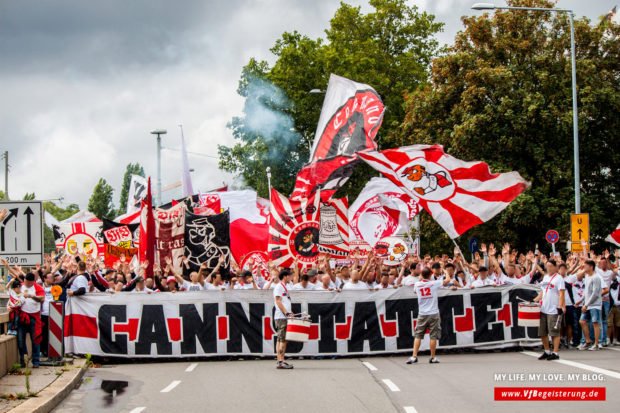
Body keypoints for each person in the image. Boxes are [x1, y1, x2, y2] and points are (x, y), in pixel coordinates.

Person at [407, 267, 453, 364]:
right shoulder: (434, 283)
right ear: (430, 275)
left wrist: (421, 277)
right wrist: (445, 272)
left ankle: (414, 356)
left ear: (421, 275)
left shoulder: (417, 284)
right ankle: (432, 357)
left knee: (418, 335)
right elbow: (448, 280)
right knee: (433, 336)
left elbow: (416, 290)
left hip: (422, 313)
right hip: (433, 313)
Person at [533, 260, 565, 360]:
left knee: (554, 332)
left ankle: (555, 352)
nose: (549, 268)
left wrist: (560, 307)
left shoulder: (559, 279)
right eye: (547, 266)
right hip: (544, 308)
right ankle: (546, 350)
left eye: (551, 266)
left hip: (553, 308)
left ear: (556, 267)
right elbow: (543, 291)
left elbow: (561, 294)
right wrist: (536, 299)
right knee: (542, 332)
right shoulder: (546, 277)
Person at [578, 260, 608, 350]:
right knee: (582, 321)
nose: (584, 268)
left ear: (591, 267)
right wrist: (580, 300)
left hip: (595, 304)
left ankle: (596, 343)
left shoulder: (596, 278)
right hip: (587, 304)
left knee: (595, 323)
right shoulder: (587, 277)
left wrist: (586, 304)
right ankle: (588, 341)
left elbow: (595, 293)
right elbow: (586, 291)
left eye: (586, 266)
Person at [18, 273, 45, 368]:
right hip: (23, 316)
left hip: (34, 316)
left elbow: (42, 299)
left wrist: (32, 296)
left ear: (33, 282)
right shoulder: (20, 287)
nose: (27, 284)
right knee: (21, 341)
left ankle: (36, 361)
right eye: (26, 282)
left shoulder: (38, 288)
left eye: (29, 283)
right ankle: (23, 361)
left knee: (35, 340)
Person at [273, 269, 294, 369]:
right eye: (290, 275)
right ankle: (281, 360)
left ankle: (280, 360)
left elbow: (284, 301)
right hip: (281, 316)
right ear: (285, 276)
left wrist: (289, 312)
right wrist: (286, 313)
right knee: (282, 339)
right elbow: (278, 301)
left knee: (281, 339)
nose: (292, 277)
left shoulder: (284, 287)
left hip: (283, 316)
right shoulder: (279, 287)